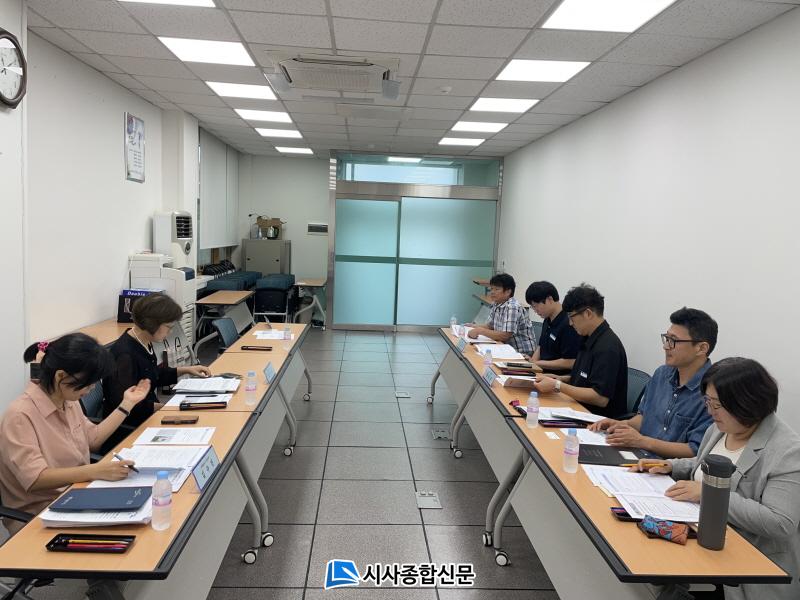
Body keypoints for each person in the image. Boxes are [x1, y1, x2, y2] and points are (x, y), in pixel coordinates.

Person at [635, 358, 800, 600]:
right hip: (700, 538)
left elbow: (780, 522)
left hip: (747, 566)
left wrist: (710, 494)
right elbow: (705, 466)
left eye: (717, 404)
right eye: (707, 401)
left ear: (747, 403)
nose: (709, 411)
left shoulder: (788, 451)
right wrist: (671, 465)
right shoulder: (720, 427)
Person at [0, 334, 150, 535]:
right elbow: (36, 478)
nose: (92, 388)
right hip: (40, 515)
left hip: (78, 494)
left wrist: (127, 404)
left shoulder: (67, 401)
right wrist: (94, 471)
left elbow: (93, 440)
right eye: (87, 383)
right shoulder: (20, 416)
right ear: (60, 376)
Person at [588, 307, 717, 458]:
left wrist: (642, 441)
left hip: (665, 468)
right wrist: (621, 424)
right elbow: (644, 418)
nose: (665, 346)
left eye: (673, 341)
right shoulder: (662, 374)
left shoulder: (712, 393)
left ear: (701, 348)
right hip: (635, 454)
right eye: (666, 338)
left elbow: (695, 450)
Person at [103, 293, 210, 432]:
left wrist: (187, 369)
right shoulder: (125, 355)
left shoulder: (143, 341)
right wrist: (167, 408)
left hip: (147, 415)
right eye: (169, 327)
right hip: (130, 428)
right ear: (152, 324)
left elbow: (152, 375)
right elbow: (126, 406)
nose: (170, 332)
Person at [533, 284, 628, 418]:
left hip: (596, 420)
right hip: (577, 408)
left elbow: (600, 398)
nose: (570, 323)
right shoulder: (587, 337)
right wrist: (560, 379)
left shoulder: (608, 347)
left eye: (571, 317)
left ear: (588, 313)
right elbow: (584, 379)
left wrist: (558, 385)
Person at [467, 273, 535, 355]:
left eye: (497, 289)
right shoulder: (496, 303)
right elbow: (490, 326)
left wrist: (480, 331)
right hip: (504, 347)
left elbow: (505, 335)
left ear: (508, 292)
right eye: (491, 288)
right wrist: (473, 326)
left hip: (521, 352)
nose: (492, 292)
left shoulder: (512, 307)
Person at [525, 280, 582, 375]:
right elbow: (540, 346)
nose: (535, 310)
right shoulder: (547, 319)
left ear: (549, 299)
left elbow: (571, 361)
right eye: (532, 307)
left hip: (557, 377)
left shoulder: (569, 323)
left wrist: (536, 363)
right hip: (541, 372)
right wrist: (531, 366)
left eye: (536, 306)